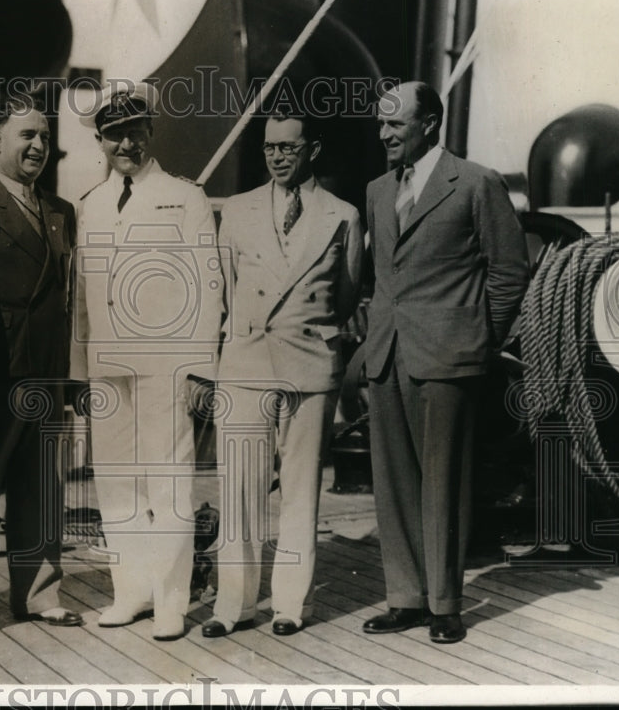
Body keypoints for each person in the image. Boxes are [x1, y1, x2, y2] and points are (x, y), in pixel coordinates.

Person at [363, 81, 529, 643]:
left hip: (449, 355)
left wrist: (480, 339)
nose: (384, 135)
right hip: (388, 352)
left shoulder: (476, 183)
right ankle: (405, 597)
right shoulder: (378, 190)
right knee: (394, 483)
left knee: (444, 485)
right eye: (381, 125)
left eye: (396, 125)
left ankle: (445, 604)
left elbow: (509, 272)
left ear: (430, 123)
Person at [201, 110, 363, 638]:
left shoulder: (343, 215)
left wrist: (307, 332)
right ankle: (234, 605)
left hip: (309, 367)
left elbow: (345, 295)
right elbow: (223, 288)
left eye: (288, 148)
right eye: (270, 147)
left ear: (311, 150)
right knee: (241, 490)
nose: (277, 156)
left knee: (299, 492)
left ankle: (291, 604)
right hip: (245, 366)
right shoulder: (238, 211)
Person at [70, 81, 222, 641]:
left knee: (168, 485)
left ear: (150, 132)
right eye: (113, 135)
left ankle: (170, 601)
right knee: (115, 484)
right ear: (101, 142)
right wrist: (80, 371)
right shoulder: (91, 205)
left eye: (133, 131)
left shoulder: (184, 198)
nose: (125, 144)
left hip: (166, 364)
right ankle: (129, 591)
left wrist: (201, 368)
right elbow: (83, 299)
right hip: (108, 365)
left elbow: (209, 287)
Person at [0, 93, 82, 641]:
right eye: (26, 135)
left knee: (43, 489)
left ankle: (38, 593)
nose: (37, 146)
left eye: (45, 137)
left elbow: (67, 299)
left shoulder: (60, 212)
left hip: (48, 374)